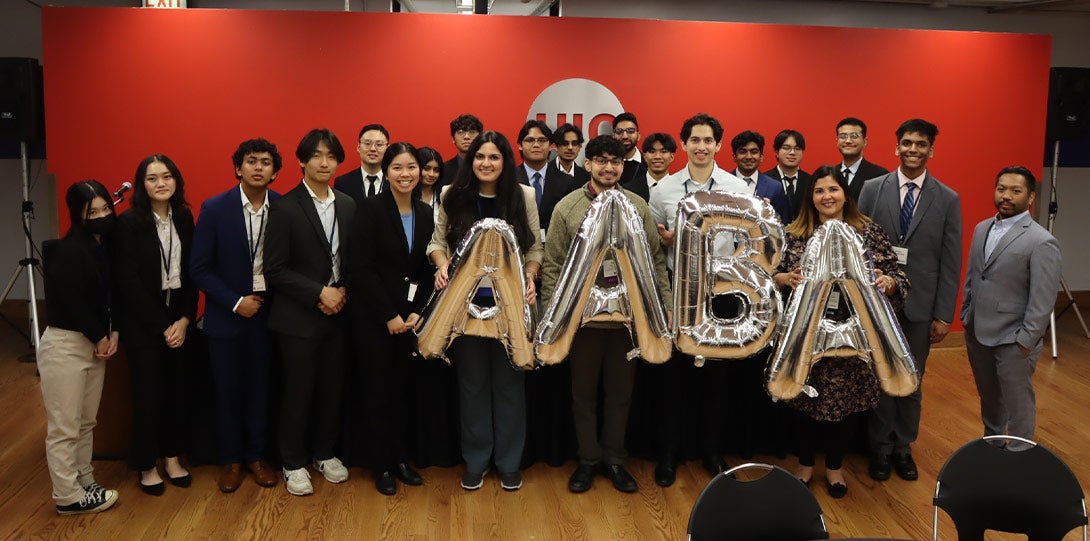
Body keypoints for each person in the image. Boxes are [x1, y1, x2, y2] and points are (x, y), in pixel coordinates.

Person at [541, 135, 671, 494]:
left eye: (616, 161)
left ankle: (614, 461)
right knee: (582, 394)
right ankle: (587, 461)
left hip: (628, 320)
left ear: (623, 165)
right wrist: (552, 320)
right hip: (582, 321)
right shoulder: (567, 207)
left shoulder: (637, 206)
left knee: (620, 394)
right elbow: (552, 265)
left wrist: (665, 310)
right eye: (601, 160)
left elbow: (656, 263)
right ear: (589, 165)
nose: (609, 167)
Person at [773, 165, 908, 499]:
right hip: (805, 334)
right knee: (802, 401)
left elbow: (896, 276)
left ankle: (835, 469)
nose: (826, 196)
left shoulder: (868, 231)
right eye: (819, 191)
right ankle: (804, 466)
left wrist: (887, 282)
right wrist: (785, 278)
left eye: (832, 189)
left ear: (845, 194)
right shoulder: (795, 232)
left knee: (844, 407)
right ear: (811, 197)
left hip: (853, 337)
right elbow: (771, 275)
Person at [427, 131, 542, 492]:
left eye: (494, 157)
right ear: (469, 160)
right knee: (472, 384)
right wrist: (441, 263)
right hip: (463, 304)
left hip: (510, 302)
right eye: (480, 157)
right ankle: (476, 461)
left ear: (506, 161)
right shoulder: (451, 195)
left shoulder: (523, 195)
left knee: (510, 384)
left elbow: (535, 246)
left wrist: (532, 274)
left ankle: (508, 463)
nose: (486, 164)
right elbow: (436, 241)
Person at [857, 118, 961, 482]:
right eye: (906, 143)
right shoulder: (872, 188)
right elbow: (858, 244)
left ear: (931, 150)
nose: (913, 149)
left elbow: (950, 261)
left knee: (912, 378)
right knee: (881, 375)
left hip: (921, 306)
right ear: (895, 147)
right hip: (878, 302)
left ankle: (904, 447)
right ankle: (880, 449)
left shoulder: (947, 199)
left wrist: (944, 315)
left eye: (920, 144)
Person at [264, 128, 356, 496]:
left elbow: (353, 259)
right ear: (302, 160)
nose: (324, 162)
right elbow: (274, 269)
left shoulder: (348, 204)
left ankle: (324, 452)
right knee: (297, 392)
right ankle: (292, 461)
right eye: (316, 155)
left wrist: (342, 290)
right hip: (298, 318)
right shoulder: (285, 207)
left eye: (331, 156)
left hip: (339, 314)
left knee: (332, 390)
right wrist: (320, 292)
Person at [190, 138, 283, 493]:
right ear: (238, 168)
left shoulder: (285, 208)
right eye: (251, 161)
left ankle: (256, 457)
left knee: (261, 389)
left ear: (274, 172)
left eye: (265, 162)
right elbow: (199, 268)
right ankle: (230, 460)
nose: (258, 167)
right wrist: (235, 301)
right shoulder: (215, 208)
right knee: (227, 391)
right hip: (226, 318)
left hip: (269, 316)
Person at [346, 142, 435, 495]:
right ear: (386, 171)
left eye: (411, 167)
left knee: (402, 392)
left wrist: (416, 311)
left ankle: (400, 458)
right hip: (374, 319)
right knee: (376, 393)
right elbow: (361, 268)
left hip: (410, 320)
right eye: (397, 167)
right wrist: (389, 315)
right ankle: (381, 464)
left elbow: (427, 268)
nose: (406, 174)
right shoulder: (369, 210)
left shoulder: (426, 213)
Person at [114, 154, 199, 496]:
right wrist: (162, 325)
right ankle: (146, 464)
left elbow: (195, 270)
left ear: (176, 181)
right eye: (152, 178)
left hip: (179, 317)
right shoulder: (129, 222)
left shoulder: (184, 216)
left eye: (167, 176)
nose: (160, 183)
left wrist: (184, 319)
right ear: (141, 185)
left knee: (179, 393)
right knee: (149, 396)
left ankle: (172, 457)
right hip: (144, 323)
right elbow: (128, 282)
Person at [962, 166, 1061, 445]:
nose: (1006, 196)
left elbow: (1043, 299)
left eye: (1015, 191)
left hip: (1014, 339)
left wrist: (1026, 340)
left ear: (1030, 197)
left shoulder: (1042, 241)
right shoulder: (982, 228)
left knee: (1018, 403)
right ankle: (993, 446)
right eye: (1001, 189)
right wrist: (966, 313)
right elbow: (973, 275)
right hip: (978, 330)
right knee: (990, 397)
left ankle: (1019, 456)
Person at [39, 180, 120, 514]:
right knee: (64, 426)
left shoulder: (105, 248)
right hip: (66, 345)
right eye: (93, 212)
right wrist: (100, 335)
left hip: (94, 344)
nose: (101, 216)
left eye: (105, 209)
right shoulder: (67, 250)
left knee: (87, 423)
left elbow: (109, 299)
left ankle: (84, 480)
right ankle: (67, 496)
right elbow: (72, 303)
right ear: (77, 214)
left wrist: (112, 333)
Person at [514, 119, 578, 234]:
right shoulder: (509, 179)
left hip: (553, 247)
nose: (536, 145)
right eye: (530, 140)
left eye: (542, 140)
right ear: (520, 145)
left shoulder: (567, 182)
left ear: (551, 146)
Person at [728, 130, 794, 222]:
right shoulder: (723, 183)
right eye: (743, 152)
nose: (748, 157)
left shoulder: (775, 187)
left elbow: (782, 223)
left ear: (761, 157)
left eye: (754, 152)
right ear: (734, 157)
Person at [334, 123, 390, 206]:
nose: (373, 149)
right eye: (367, 143)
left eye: (379, 145)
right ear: (358, 147)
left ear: (387, 148)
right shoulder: (342, 183)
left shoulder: (395, 181)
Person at [835, 117, 889, 202]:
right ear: (837, 141)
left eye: (854, 136)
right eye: (843, 136)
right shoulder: (830, 174)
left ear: (865, 141)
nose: (848, 141)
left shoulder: (880, 175)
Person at [764, 129, 811, 220]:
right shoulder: (765, 180)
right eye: (786, 148)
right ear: (777, 152)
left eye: (797, 148)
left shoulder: (811, 181)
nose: (792, 152)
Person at [612, 112, 649, 201]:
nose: (625, 136)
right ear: (613, 136)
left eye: (630, 131)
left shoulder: (648, 164)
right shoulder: (604, 164)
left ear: (638, 135)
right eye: (619, 132)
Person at [439, 114, 483, 188]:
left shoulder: (488, 167)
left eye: (472, 132)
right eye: (460, 132)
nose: (466, 137)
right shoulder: (443, 170)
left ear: (481, 137)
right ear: (453, 139)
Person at [417, 146, 444, 219]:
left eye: (436, 170)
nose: (431, 174)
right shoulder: (406, 195)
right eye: (426, 169)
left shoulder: (443, 195)